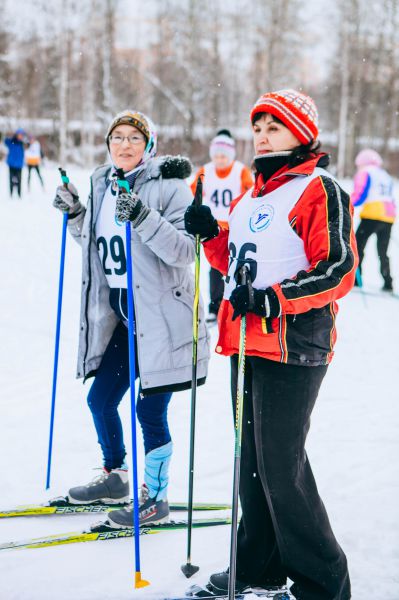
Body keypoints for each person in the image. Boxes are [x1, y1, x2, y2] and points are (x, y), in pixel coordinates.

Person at [184, 89, 357, 600]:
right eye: (257, 127)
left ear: (301, 134)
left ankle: (323, 585)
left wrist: (274, 300)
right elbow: (240, 263)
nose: (261, 136)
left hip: (293, 344)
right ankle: (257, 569)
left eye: (273, 127)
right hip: (245, 341)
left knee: (282, 465)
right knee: (252, 466)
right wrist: (210, 233)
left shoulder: (318, 189)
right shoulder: (253, 194)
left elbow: (338, 269)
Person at [52, 110, 210, 527]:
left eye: (134, 138)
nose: (124, 145)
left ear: (150, 145)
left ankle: (156, 499)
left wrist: (141, 215)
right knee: (100, 399)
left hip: (164, 317)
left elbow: (184, 251)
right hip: (124, 313)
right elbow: (99, 242)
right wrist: (76, 214)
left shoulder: (171, 186)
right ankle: (116, 476)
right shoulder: (102, 182)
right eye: (117, 137)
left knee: (149, 413)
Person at [191, 130, 253, 324]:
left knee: (235, 265)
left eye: (224, 156)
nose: (220, 159)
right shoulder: (205, 171)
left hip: (235, 226)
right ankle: (215, 306)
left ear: (231, 155)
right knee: (215, 269)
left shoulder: (240, 171)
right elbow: (192, 192)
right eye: (216, 155)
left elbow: (251, 192)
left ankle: (238, 301)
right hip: (214, 228)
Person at [351, 148, 396, 291]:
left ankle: (357, 280)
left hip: (372, 214)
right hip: (389, 216)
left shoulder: (365, 172)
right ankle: (388, 282)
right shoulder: (384, 174)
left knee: (358, 247)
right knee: (383, 251)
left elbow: (360, 194)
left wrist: (347, 203)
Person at [4, 128, 26, 198]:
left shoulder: (22, 143)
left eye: (22, 135)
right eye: (19, 135)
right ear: (16, 135)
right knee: (11, 179)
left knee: (19, 180)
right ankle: (11, 194)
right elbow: (5, 141)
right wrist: (10, 136)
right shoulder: (12, 142)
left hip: (19, 165)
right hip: (12, 164)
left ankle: (19, 194)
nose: (20, 136)